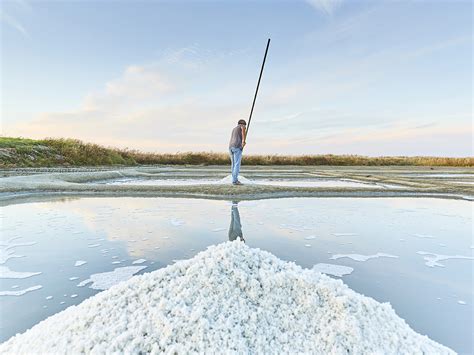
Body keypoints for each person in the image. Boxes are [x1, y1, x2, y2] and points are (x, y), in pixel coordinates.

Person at [228, 119, 247, 185]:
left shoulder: (234, 129)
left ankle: (234, 179)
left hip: (230, 147)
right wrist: (243, 141)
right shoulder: (242, 126)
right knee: (237, 164)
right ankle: (235, 181)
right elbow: (243, 132)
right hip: (237, 147)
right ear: (243, 124)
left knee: (233, 164)